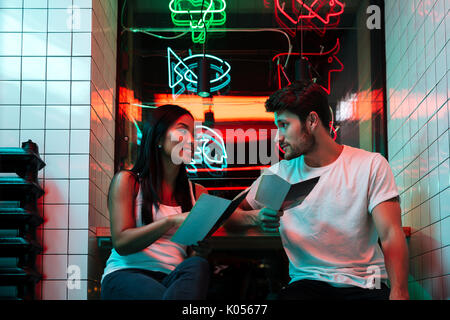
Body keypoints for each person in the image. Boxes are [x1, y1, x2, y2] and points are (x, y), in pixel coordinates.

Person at [226, 80, 409, 300]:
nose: (278, 137)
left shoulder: (369, 165)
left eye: (284, 125)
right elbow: (229, 218)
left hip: (365, 285)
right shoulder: (279, 175)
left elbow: (390, 234)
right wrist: (255, 218)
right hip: (307, 286)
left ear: (312, 120)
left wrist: (399, 292)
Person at [100, 104, 211, 300]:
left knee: (198, 265)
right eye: (183, 130)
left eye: (194, 134)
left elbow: (191, 255)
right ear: (159, 138)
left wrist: (199, 250)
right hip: (127, 275)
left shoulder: (198, 193)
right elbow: (121, 243)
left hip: (173, 280)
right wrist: (171, 221)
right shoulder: (128, 181)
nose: (191, 140)